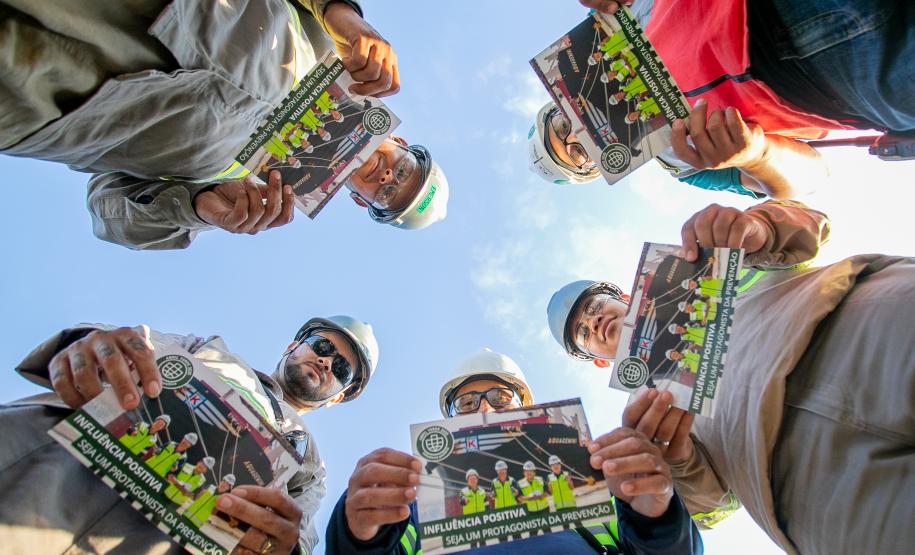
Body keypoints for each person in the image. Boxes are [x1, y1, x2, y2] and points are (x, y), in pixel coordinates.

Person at [547, 199, 915, 553]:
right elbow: (713, 504)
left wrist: (761, 227)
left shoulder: (705, 267)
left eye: (595, 306)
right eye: (582, 332)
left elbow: (813, 225)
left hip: (872, 330)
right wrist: (677, 461)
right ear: (595, 359)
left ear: (624, 296)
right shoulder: (644, 423)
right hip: (813, 490)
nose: (593, 320)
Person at [0, 0, 449, 249]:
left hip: (53, 101)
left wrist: (196, 207)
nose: (388, 177)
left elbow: (107, 213)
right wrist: (342, 12)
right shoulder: (344, 47)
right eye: (405, 170)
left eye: (388, 194)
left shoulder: (245, 197)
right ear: (401, 140)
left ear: (361, 203)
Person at [1, 314, 379, 554]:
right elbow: (126, 342)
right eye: (323, 346)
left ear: (337, 398)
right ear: (293, 346)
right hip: (44, 464)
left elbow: (296, 538)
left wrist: (277, 546)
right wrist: (92, 344)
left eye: (342, 369)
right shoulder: (206, 350)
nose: (327, 361)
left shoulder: (312, 471)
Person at [326, 348, 703, 554]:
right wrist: (356, 533)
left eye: (499, 397)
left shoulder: (596, 478)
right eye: (469, 403)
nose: (486, 410)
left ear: (526, 407)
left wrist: (658, 515)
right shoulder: (414, 499)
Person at [531, 0, 915, 198]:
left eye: (563, 127)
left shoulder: (611, 21)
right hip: (832, 82)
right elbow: (814, 176)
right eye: (577, 154)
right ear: (597, 169)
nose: (577, 137)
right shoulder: (686, 167)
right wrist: (757, 156)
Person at [518, 461, 551, 536]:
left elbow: (547, 491)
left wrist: (543, 495)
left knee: (547, 531)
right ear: (524, 472)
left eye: (530, 471)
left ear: (534, 472)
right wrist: (529, 498)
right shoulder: (520, 483)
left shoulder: (540, 479)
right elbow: (519, 498)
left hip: (544, 509)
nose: (529, 473)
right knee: (533, 533)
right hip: (530, 512)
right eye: (527, 471)